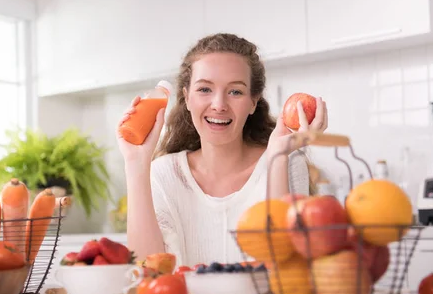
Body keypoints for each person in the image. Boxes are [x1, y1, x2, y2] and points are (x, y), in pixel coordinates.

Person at [117, 33, 328, 267]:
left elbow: (286, 267)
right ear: (186, 98)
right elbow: (147, 270)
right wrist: (136, 163)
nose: (218, 105)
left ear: (253, 102)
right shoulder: (163, 174)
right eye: (205, 89)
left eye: (235, 91)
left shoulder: (287, 161)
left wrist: (277, 158)